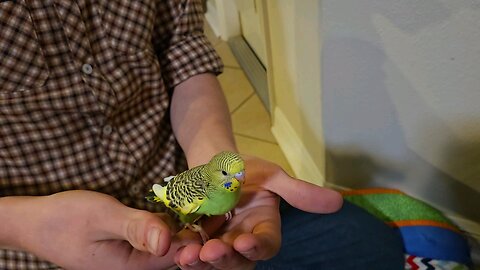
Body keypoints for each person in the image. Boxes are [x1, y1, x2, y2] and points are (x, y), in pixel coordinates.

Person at [0, 0, 404, 269]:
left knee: (368, 244)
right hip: (34, 246)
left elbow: (184, 50)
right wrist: (25, 227)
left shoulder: (223, 187)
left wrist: (211, 152)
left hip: (179, 194)